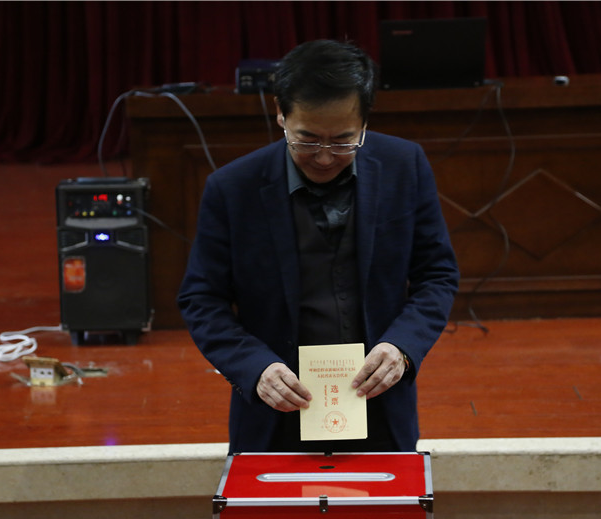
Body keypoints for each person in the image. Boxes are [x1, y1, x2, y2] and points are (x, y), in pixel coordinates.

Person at [177, 39, 459, 453]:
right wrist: (255, 367)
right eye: (307, 140)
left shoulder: (405, 166)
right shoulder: (232, 188)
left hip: (380, 403)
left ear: (364, 121)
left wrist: (402, 347)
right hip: (274, 411)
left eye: (343, 141)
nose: (325, 158)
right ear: (280, 112)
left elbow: (437, 274)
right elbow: (201, 298)